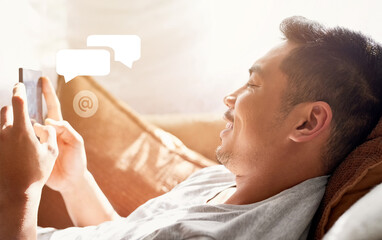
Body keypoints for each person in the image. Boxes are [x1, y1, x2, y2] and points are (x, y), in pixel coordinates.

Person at [0, 16, 381, 240]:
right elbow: (132, 234)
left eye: (253, 85)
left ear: (307, 122)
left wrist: (19, 189)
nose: (229, 98)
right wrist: (74, 181)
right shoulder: (225, 181)